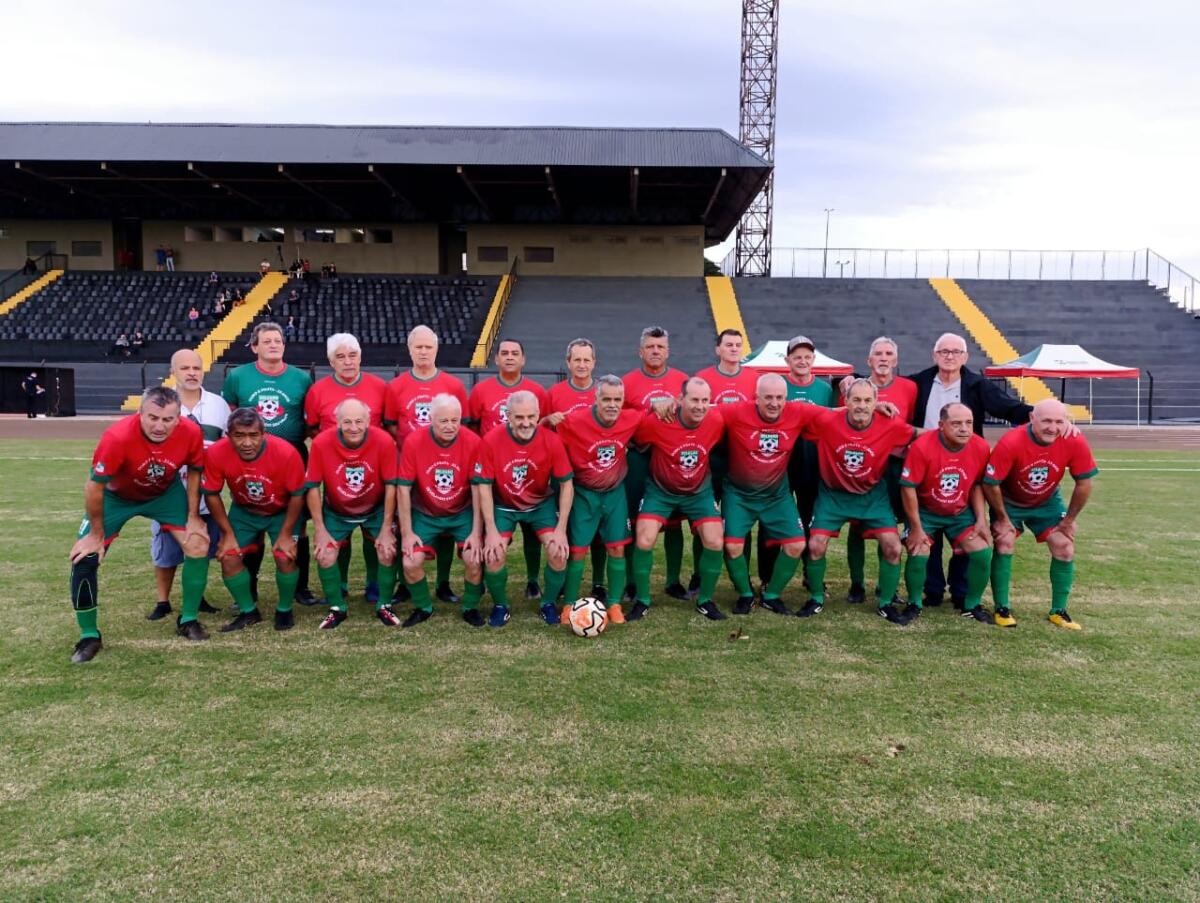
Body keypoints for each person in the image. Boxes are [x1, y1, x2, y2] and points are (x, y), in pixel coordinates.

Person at [68, 387, 209, 663]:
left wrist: (193, 515)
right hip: (116, 497)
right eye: (153, 418)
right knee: (85, 558)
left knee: (198, 545)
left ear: (178, 417)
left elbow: (195, 470)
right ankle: (89, 636)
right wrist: (96, 534)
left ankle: (188, 619)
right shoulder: (117, 437)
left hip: (164, 494)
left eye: (167, 419)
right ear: (140, 413)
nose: (159, 426)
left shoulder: (191, 432)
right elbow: (94, 487)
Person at [908, 333, 1032, 608]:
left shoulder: (977, 385)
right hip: (926, 464)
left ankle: (961, 592)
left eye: (956, 351)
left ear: (965, 357)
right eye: (944, 351)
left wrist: (1044, 416)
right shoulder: (919, 382)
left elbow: (1008, 408)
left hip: (964, 468)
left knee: (965, 531)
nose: (949, 356)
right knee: (929, 534)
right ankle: (932, 591)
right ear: (934, 355)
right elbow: (884, 388)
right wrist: (846, 379)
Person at [798, 379, 918, 624]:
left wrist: (954, 433)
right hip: (833, 495)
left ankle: (885, 603)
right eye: (856, 400)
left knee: (893, 547)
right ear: (846, 401)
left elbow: (917, 434)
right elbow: (794, 415)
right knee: (816, 545)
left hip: (872, 495)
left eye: (867, 400)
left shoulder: (889, 423)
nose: (862, 405)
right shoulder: (827, 420)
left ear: (876, 402)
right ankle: (816, 598)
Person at [221, 322, 317, 606]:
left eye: (278, 340)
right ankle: (248, 590)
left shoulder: (301, 379)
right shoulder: (237, 377)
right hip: (249, 459)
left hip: (293, 458)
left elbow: (308, 420)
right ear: (254, 347)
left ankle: (300, 588)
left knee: (297, 525)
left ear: (284, 345)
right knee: (253, 517)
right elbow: (229, 418)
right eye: (267, 341)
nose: (273, 345)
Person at [983, 399, 1098, 630]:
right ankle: (1002, 608)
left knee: (1064, 546)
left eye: (1059, 421)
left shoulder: (1073, 439)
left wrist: (1068, 521)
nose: (1052, 428)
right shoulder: (1012, 441)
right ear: (1031, 419)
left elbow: (1084, 483)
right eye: (1046, 421)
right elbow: (990, 483)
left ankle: (1059, 611)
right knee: (1004, 542)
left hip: (1047, 501)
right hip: (1010, 502)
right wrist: (1002, 518)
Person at [721, 374, 823, 615]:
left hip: (776, 495)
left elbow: (835, 414)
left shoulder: (797, 411)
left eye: (779, 397)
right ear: (756, 398)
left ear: (786, 398)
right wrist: (673, 403)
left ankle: (772, 595)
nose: (774, 403)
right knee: (732, 546)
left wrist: (875, 406)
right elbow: (701, 410)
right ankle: (745, 594)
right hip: (739, 494)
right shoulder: (736, 411)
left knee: (796, 544)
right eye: (768, 397)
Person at [383, 324, 470, 605]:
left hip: (445, 466)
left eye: (428, 347)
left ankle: (443, 583)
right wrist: (414, 448)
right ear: (409, 349)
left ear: (436, 349)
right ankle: (405, 583)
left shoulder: (453, 385)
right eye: (418, 347)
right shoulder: (396, 386)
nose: (423, 351)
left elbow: (463, 427)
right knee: (404, 524)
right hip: (410, 468)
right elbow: (391, 426)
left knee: (445, 522)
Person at [628, 377, 727, 621]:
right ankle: (642, 600)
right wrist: (652, 407)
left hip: (699, 492)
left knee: (715, 540)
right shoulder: (660, 421)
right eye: (694, 400)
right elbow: (633, 435)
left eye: (705, 400)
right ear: (680, 399)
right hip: (660, 491)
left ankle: (705, 600)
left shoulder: (716, 421)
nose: (700, 406)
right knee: (644, 538)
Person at [473, 390, 574, 627]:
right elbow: (483, 486)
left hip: (540, 505)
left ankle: (548, 603)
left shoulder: (551, 440)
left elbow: (567, 484)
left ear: (538, 414)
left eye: (531, 416)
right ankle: (501, 606)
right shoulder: (491, 440)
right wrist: (491, 530)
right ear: (508, 416)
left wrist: (561, 529)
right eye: (519, 417)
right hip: (504, 506)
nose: (526, 423)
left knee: (558, 552)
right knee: (494, 554)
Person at [304, 333, 389, 605]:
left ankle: (374, 583)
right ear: (331, 361)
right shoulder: (317, 391)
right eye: (340, 357)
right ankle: (339, 584)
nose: (348, 361)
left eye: (352, 355)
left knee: (373, 533)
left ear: (360, 357)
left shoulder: (379, 387)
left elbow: (387, 428)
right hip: (336, 472)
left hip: (372, 471)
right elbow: (313, 428)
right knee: (340, 531)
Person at [202, 408, 306, 632]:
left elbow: (298, 495)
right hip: (245, 512)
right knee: (228, 557)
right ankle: (248, 611)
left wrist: (286, 534)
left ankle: (285, 609)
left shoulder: (286, 452)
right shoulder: (216, 452)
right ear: (228, 435)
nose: (247, 443)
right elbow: (211, 493)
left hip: (282, 511)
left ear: (263, 434)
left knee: (285, 556)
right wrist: (227, 534)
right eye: (239, 436)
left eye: (253, 435)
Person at [145, 349, 228, 622]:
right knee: (166, 552)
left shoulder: (218, 404)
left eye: (196, 368)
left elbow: (227, 444)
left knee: (201, 547)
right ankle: (163, 601)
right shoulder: (160, 403)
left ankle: (197, 597)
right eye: (185, 368)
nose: (192, 373)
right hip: (169, 493)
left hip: (206, 492)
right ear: (173, 372)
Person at [305, 398, 400, 629]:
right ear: (337, 422)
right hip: (336, 510)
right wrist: (319, 529)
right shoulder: (321, 443)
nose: (354, 427)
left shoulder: (384, 441)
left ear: (368, 421)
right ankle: (337, 608)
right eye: (347, 422)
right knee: (325, 554)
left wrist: (386, 527)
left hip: (375, 508)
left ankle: (384, 605)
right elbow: (312, 487)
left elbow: (391, 485)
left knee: (387, 551)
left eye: (359, 421)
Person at [466, 338, 550, 600]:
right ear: (496, 359)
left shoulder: (538, 391)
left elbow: (543, 428)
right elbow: (473, 428)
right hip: (493, 471)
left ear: (523, 359)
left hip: (528, 469)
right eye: (504, 353)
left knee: (533, 530)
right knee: (488, 527)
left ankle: (533, 580)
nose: (510, 357)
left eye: (515, 353)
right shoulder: (481, 390)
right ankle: (483, 578)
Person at [555, 374, 642, 623]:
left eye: (617, 399)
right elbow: (547, 437)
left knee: (617, 548)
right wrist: (547, 420)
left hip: (615, 494)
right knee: (577, 551)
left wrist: (665, 404)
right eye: (606, 399)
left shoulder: (631, 418)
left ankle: (614, 604)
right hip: (584, 494)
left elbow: (653, 417)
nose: (612, 405)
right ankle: (569, 604)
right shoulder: (574, 421)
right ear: (596, 398)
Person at [899, 403, 995, 625]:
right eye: (956, 423)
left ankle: (972, 605)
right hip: (926, 511)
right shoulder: (922, 446)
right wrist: (916, 528)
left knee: (982, 552)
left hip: (959, 513)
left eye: (969, 423)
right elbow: (908, 488)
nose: (964, 429)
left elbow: (977, 484)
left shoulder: (980, 446)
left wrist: (981, 520)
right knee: (918, 550)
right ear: (941, 425)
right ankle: (914, 604)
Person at [397, 394, 486, 627]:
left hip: (462, 512)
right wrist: (407, 533)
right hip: (425, 512)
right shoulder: (414, 441)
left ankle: (470, 607)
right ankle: (423, 607)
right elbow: (403, 489)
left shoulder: (473, 441)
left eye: (454, 420)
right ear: (431, 419)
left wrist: (476, 532)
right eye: (443, 421)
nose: (450, 426)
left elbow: (478, 489)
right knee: (410, 562)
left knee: (474, 558)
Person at [844, 337, 920, 605]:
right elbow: (843, 418)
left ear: (896, 360)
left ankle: (884, 586)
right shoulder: (855, 387)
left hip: (896, 466)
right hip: (863, 465)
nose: (884, 358)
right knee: (856, 525)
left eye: (889, 354)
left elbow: (911, 425)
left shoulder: (909, 388)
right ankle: (856, 584)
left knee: (888, 526)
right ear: (869, 360)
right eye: (878, 354)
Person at [622, 326, 690, 603]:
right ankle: (631, 582)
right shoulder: (627, 383)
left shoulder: (682, 380)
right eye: (650, 346)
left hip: (670, 459)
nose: (655, 351)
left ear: (668, 351)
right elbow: (619, 421)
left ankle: (673, 581)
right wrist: (649, 409)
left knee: (673, 522)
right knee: (633, 521)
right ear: (641, 351)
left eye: (660, 347)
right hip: (637, 459)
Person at [544, 338, 610, 602]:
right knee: (567, 527)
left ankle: (598, 582)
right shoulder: (554, 393)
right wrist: (547, 420)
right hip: (564, 473)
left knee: (600, 531)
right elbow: (538, 428)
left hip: (598, 473)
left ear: (594, 362)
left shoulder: (604, 391)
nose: (582, 364)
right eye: (577, 360)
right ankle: (562, 580)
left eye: (587, 360)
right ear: (568, 362)